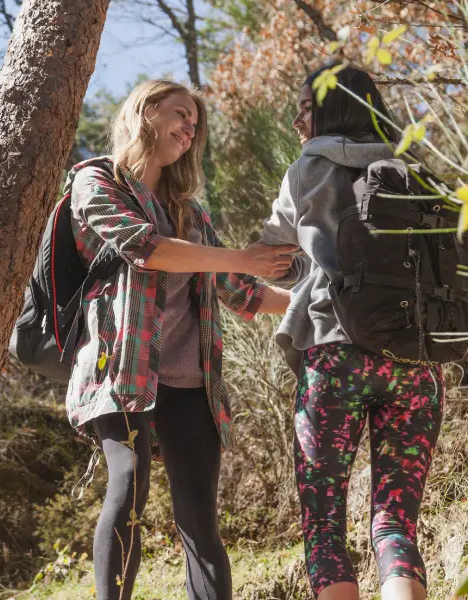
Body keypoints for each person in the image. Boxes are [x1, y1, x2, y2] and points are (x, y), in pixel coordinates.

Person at [65, 79, 295, 600]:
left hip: (192, 383)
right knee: (128, 486)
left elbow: (240, 291)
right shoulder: (96, 180)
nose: (189, 129)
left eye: (195, 124)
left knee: (200, 519)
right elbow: (144, 247)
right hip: (122, 373)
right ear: (145, 111)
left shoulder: (191, 212)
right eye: (180, 114)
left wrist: (319, 302)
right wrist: (241, 257)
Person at [259, 63, 442, 600]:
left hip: (336, 358)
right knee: (395, 523)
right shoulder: (413, 165)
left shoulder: (307, 170)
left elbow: (272, 258)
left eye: (305, 108)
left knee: (324, 528)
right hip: (415, 361)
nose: (297, 121)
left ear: (331, 109)